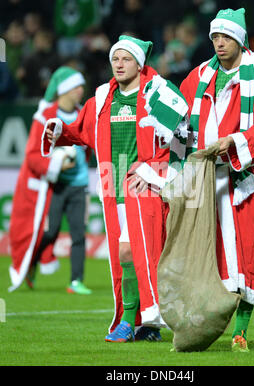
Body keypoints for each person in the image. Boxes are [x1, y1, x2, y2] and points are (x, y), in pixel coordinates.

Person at [42, 35, 188, 342]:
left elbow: (181, 128)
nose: (119, 65)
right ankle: (144, 323)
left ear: (139, 63)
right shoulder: (102, 100)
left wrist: (157, 170)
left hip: (145, 186)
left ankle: (132, 319)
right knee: (126, 254)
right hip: (113, 188)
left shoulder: (154, 94)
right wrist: (61, 132)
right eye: (115, 59)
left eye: (126, 59)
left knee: (134, 251)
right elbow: (83, 132)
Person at [179, 8, 254, 352]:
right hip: (203, 180)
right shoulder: (196, 77)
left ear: (239, 39)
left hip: (242, 178)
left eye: (226, 37)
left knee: (246, 253)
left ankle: (241, 332)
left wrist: (233, 142)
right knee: (202, 256)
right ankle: (199, 328)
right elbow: (180, 123)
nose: (219, 43)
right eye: (215, 37)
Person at [9, 66, 92, 295]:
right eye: (76, 86)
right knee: (51, 231)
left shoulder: (83, 113)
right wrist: (58, 163)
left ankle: (76, 281)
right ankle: (32, 262)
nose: (80, 90)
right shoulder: (46, 116)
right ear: (64, 90)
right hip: (56, 186)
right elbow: (34, 154)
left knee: (78, 233)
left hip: (80, 184)